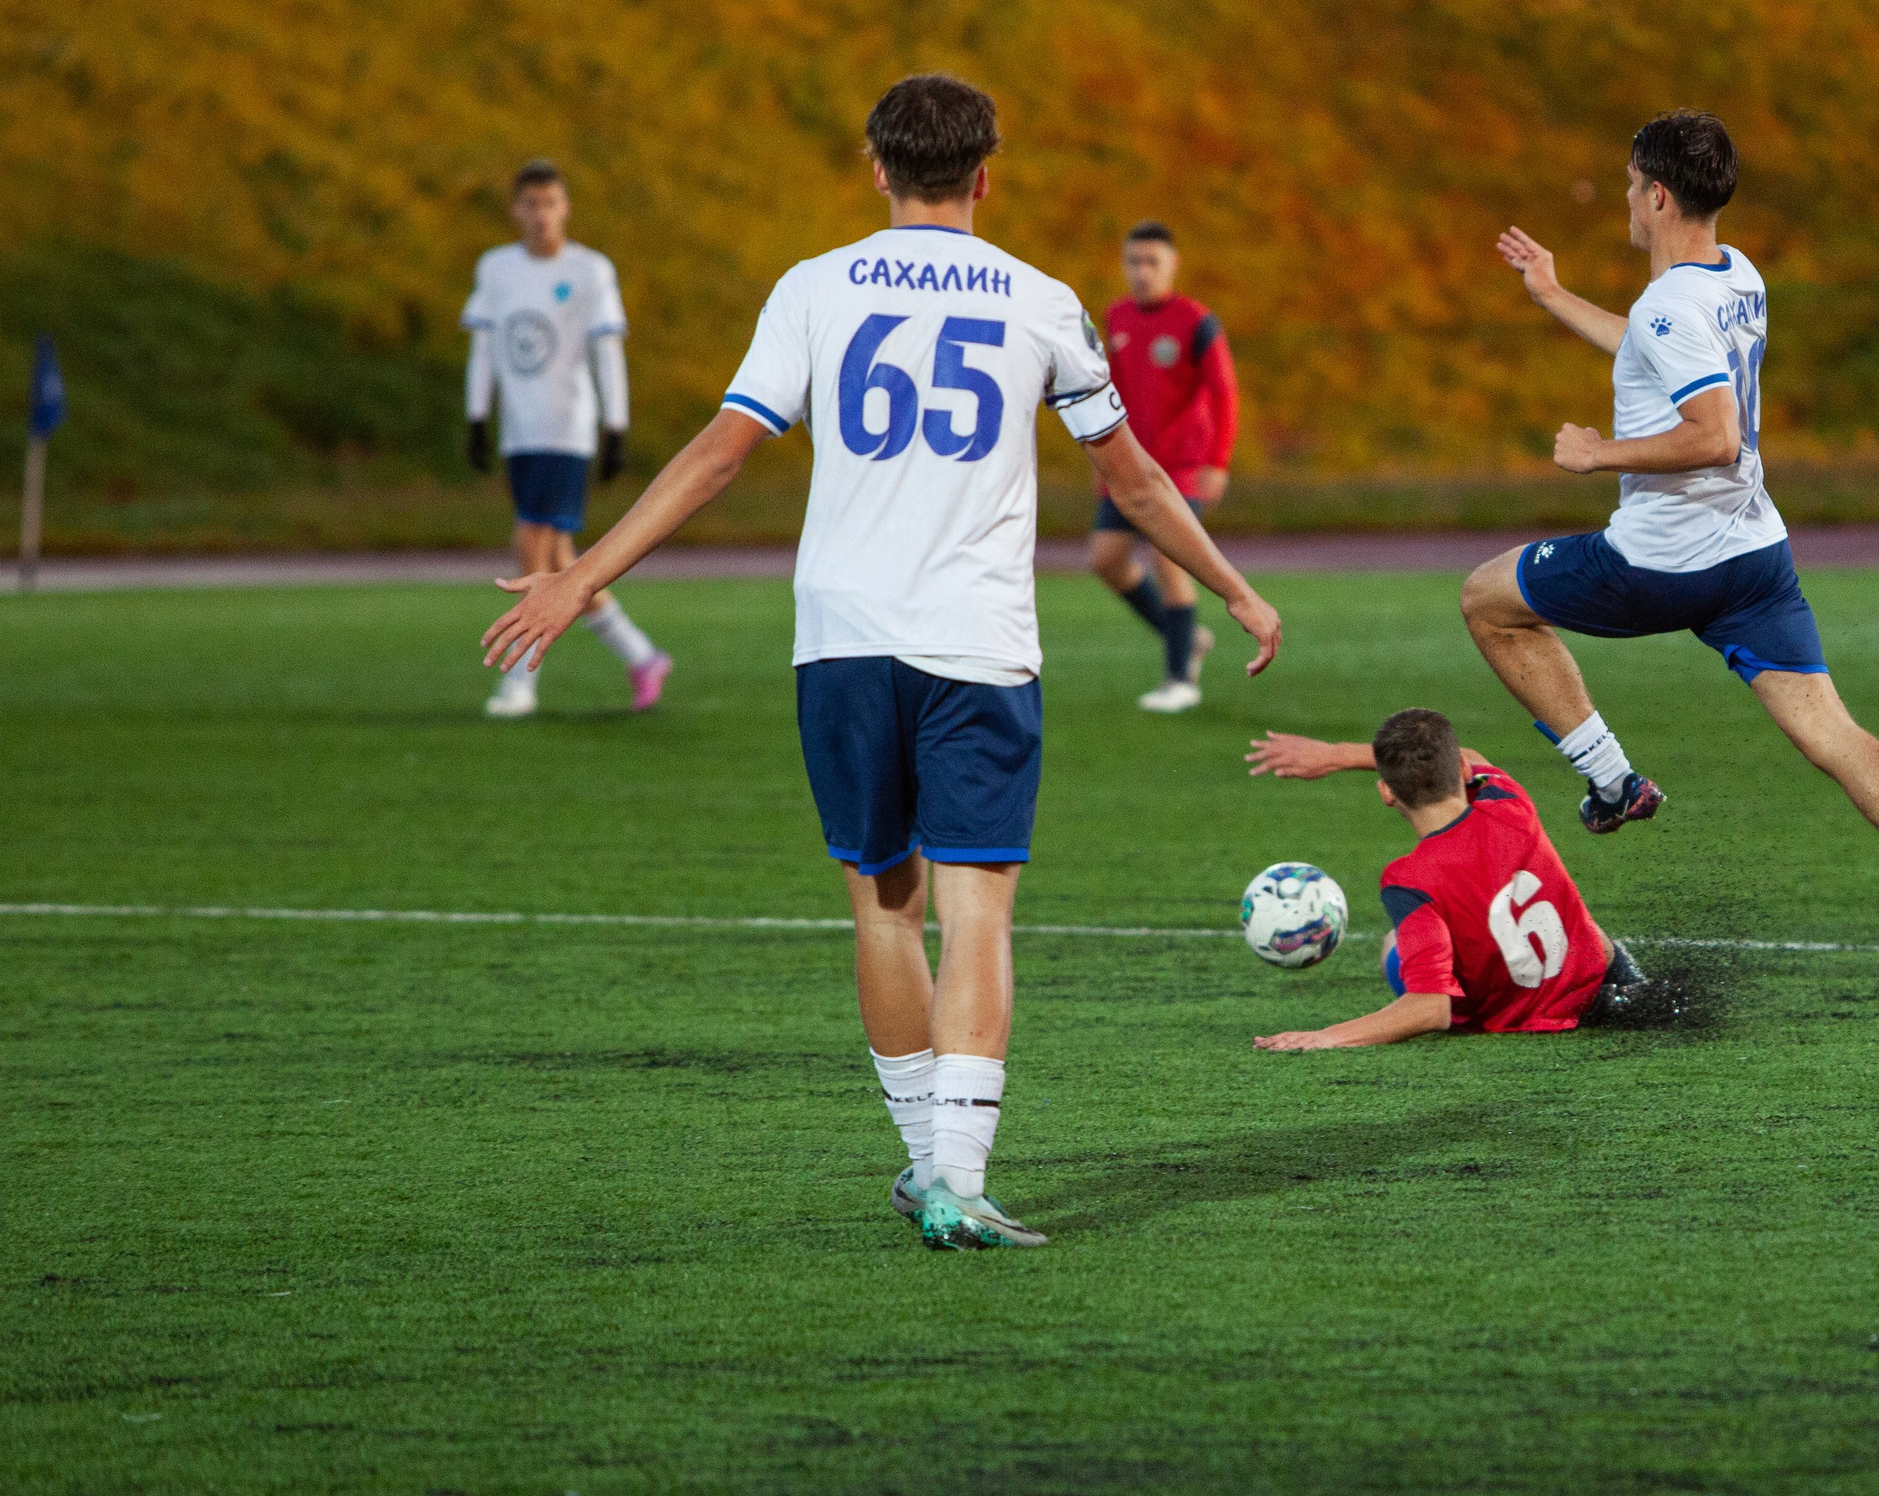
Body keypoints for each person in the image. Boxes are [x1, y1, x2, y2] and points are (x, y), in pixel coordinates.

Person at [481, 75, 1284, 1248]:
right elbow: (1135, 480)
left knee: (884, 907)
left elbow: (718, 453)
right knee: (980, 912)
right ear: (986, 175)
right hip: (978, 644)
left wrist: (585, 573)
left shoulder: (813, 287)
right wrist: (1234, 588)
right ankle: (957, 1171)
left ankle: (926, 1166)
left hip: (843, 639)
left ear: (876, 168)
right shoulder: (1043, 300)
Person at [1471, 110, 1879, 1014]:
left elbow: (1712, 433)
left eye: (1633, 183)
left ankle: (1610, 778)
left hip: (1663, 562)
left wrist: (1598, 454)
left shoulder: (1670, 303)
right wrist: (1553, 296)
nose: (1629, 200)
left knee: (1487, 602)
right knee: (1832, 732)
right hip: (1756, 555)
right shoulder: (1734, 275)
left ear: (1658, 194)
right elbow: (1656, 350)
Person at [1243, 710, 1654, 1050]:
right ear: (1461, 768)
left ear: (1387, 793)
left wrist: (1320, 1037)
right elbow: (1473, 755)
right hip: (1599, 986)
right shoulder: (1510, 802)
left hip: (1519, 1021)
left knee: (1395, 942)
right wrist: (1338, 755)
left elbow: (1430, 1008)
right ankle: (1629, 979)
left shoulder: (1408, 879)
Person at [463, 159, 671, 718]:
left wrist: (616, 424)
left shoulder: (589, 271)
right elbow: (484, 344)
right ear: (515, 210)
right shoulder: (497, 268)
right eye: (529, 204)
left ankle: (520, 683)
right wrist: (477, 415)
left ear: (565, 207)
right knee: (560, 560)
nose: (540, 215)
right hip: (519, 430)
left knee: (531, 545)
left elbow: (607, 350)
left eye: (550, 203)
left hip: (566, 428)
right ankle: (641, 656)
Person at [1090, 219, 1240, 713]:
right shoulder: (1115, 318)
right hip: (1129, 465)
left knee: (1170, 564)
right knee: (1106, 560)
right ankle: (1188, 638)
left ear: (1172, 265)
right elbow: (1109, 391)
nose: (1142, 271)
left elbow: (1224, 392)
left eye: (1152, 261)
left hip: (1179, 468)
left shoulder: (1197, 321)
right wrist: (1103, 456)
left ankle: (1181, 681)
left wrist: (1217, 461)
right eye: (1134, 261)